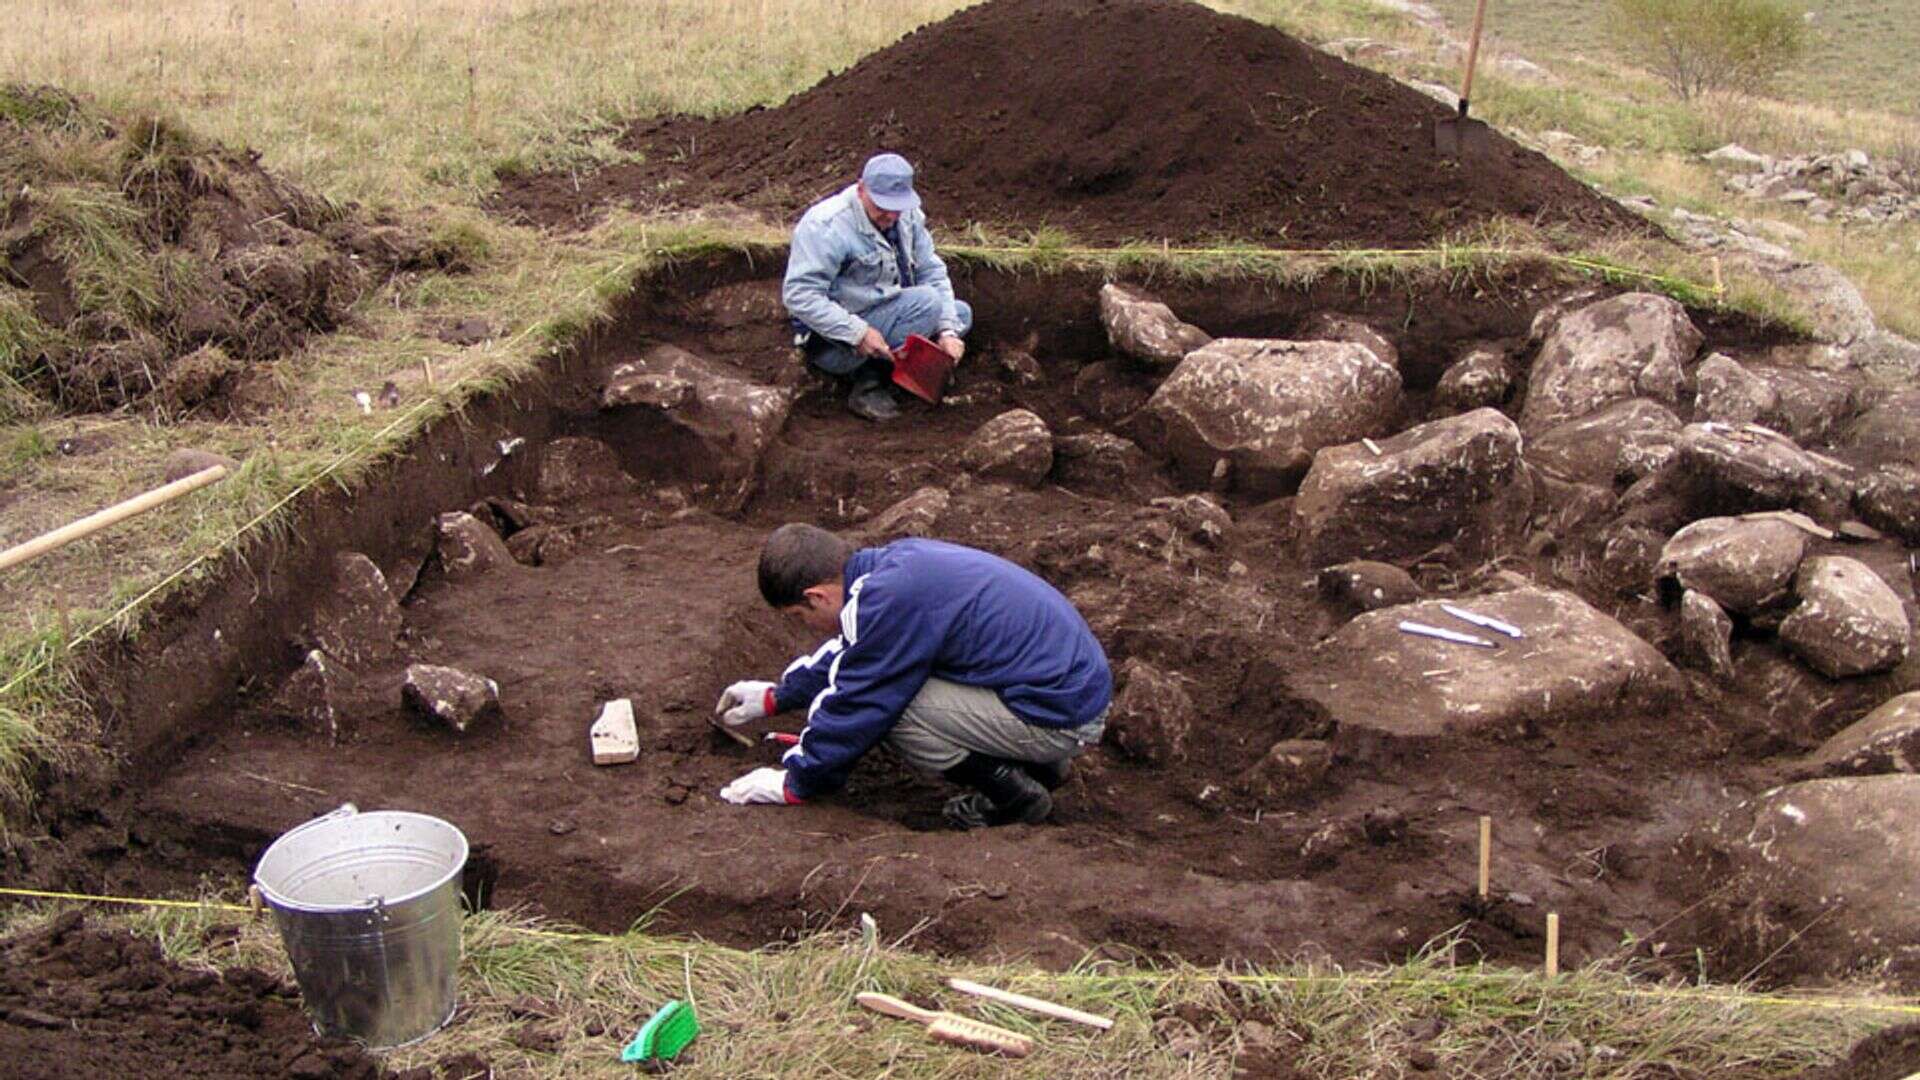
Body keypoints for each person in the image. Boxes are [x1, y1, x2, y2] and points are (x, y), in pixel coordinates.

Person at [715, 524, 1111, 829]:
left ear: (817, 596)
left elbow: (861, 700)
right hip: (1062, 690)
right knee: (894, 685)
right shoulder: (892, 569)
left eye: (799, 617)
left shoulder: (889, 599)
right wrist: (778, 697)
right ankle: (1042, 765)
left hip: (1062, 713)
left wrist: (796, 782)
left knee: (896, 709)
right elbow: (858, 652)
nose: (808, 627)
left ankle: (1012, 797)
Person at [782, 152, 973, 423]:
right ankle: (869, 381)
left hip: (887, 312)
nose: (891, 214)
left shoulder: (907, 217)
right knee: (929, 303)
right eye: (882, 204)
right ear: (861, 189)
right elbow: (799, 295)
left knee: (959, 314)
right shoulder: (825, 226)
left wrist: (947, 331)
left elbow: (931, 270)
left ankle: (896, 368)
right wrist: (857, 333)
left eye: (898, 205)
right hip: (834, 342)